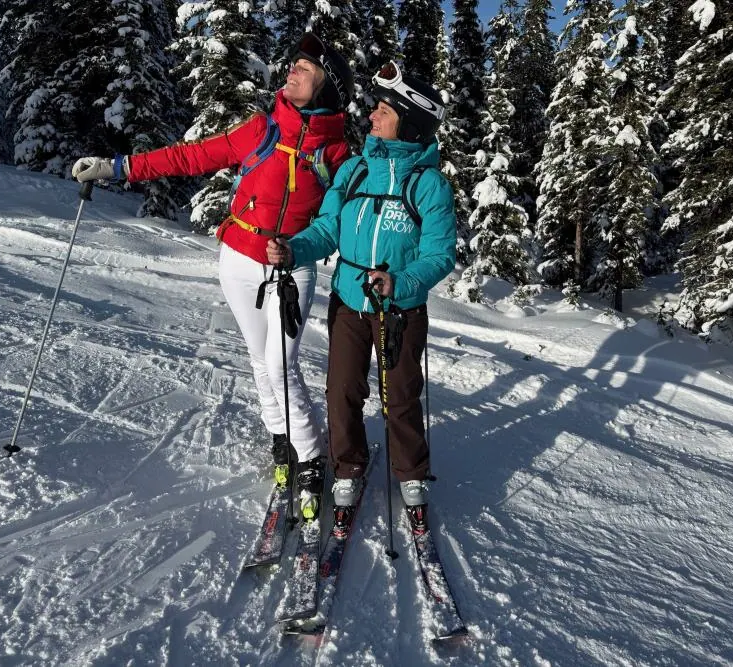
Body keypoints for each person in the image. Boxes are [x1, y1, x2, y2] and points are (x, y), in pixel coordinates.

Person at [71, 33, 355, 520]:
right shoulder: (263, 129)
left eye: (306, 68)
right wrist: (115, 167)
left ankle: (310, 456)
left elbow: (342, 216)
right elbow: (190, 156)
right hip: (239, 260)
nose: (292, 71)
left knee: (281, 363)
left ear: (328, 86)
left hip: (294, 266)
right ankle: (281, 438)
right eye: (293, 63)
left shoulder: (335, 153)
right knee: (260, 360)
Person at [267, 62, 456, 528]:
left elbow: (440, 254)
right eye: (376, 107)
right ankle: (347, 465)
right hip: (349, 301)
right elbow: (328, 228)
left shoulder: (428, 184)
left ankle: (411, 473)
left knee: (401, 395)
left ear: (408, 123)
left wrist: (402, 283)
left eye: (385, 110)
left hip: (400, 310)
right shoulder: (353, 170)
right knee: (342, 390)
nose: (373, 115)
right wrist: (294, 249)